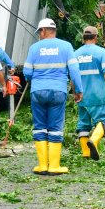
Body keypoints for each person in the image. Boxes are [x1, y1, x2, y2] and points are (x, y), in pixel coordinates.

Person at [23, 18, 82, 175]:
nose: (39, 35)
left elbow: (27, 72)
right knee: (55, 127)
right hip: (58, 91)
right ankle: (54, 166)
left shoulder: (34, 48)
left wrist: (33, 79)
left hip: (38, 91)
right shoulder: (66, 46)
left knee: (39, 126)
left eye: (39, 32)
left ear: (43, 30)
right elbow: (74, 71)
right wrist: (78, 90)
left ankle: (42, 165)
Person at [74, 26, 105, 160]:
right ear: (96, 37)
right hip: (97, 95)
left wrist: (75, 93)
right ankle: (94, 140)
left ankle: (86, 153)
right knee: (104, 122)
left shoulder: (76, 54)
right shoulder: (102, 52)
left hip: (81, 96)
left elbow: (73, 76)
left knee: (83, 124)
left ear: (83, 38)